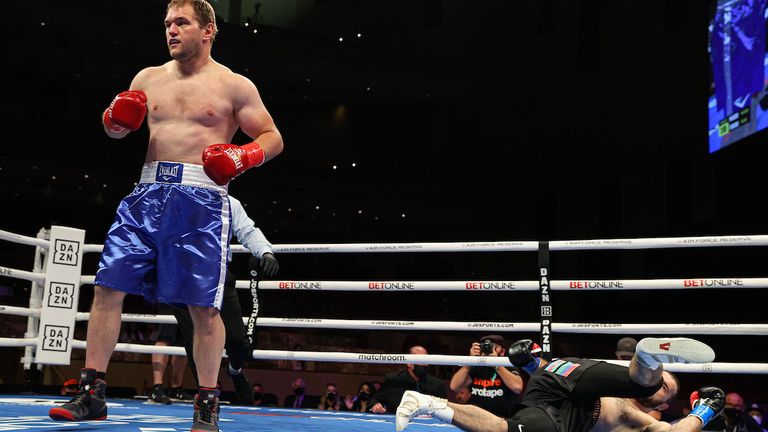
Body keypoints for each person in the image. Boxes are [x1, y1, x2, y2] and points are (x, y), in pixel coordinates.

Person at [48, 1, 284, 430]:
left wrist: (242, 155)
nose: (171, 30)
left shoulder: (234, 86)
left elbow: (272, 138)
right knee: (107, 287)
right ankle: (91, 391)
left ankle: (207, 404)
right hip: (146, 194)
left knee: (202, 308)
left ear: (208, 29)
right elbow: (115, 127)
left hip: (201, 201)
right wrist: (114, 122)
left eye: (181, 23)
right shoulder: (148, 78)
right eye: (167, 24)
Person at [395, 337, 726, 432]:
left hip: (560, 414)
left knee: (504, 431)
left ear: (664, 405)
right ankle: (649, 356)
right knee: (637, 384)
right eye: (662, 380)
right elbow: (563, 372)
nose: (659, 388)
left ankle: (424, 402)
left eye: (663, 389)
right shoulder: (624, 384)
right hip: (577, 379)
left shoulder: (639, 420)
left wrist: (703, 413)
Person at [171, 194, 279, 406]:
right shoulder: (177, 198)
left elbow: (247, 230)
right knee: (195, 340)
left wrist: (266, 252)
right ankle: (206, 399)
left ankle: (235, 369)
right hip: (181, 277)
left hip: (218, 276)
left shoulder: (229, 202)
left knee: (239, 342)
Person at [449, 335, 523, 418]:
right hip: (478, 419)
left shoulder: (508, 365)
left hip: (504, 419)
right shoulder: (475, 366)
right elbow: (454, 386)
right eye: (485, 346)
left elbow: (517, 387)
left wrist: (497, 366)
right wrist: (469, 361)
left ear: (502, 351)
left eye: (493, 347)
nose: (489, 349)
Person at [368, 345, 447, 414]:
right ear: (409, 363)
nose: (423, 364)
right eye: (420, 360)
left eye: (426, 360)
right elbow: (373, 400)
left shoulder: (437, 385)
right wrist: (375, 406)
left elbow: (445, 410)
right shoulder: (393, 380)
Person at [613, 337, 663, 421]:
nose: (626, 360)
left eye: (629, 357)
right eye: (623, 356)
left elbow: (656, 414)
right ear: (616, 354)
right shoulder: (611, 372)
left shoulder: (647, 376)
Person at [148, 318, 193, 404]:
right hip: (169, 306)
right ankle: (157, 387)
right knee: (164, 337)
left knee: (183, 343)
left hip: (187, 306)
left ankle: (176, 388)